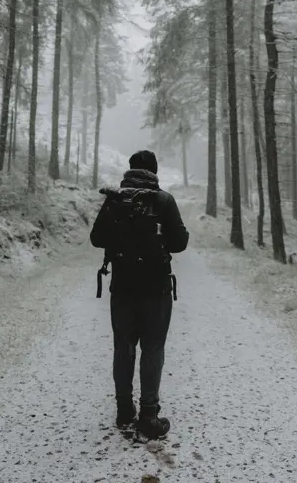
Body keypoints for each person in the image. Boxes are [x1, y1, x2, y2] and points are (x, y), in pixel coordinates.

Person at [90, 150, 189, 439]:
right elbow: (180, 242)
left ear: (130, 170)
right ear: (154, 171)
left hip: (122, 287)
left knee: (123, 349)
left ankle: (124, 411)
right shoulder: (164, 200)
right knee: (153, 349)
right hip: (156, 287)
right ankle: (148, 415)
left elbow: (97, 239)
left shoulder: (114, 199)